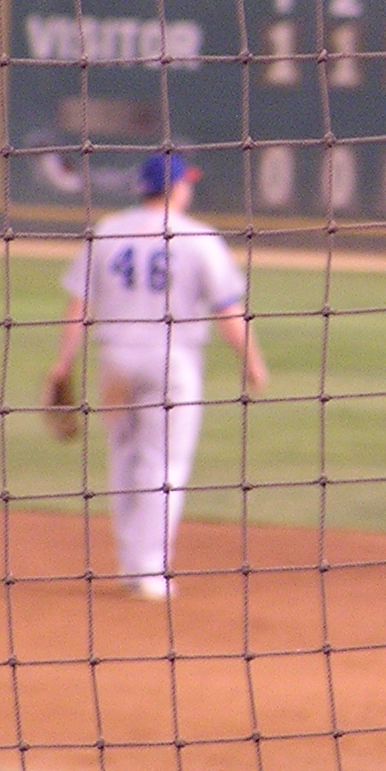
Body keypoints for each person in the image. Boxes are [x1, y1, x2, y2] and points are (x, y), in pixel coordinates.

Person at [46, 151, 268, 600]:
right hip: (174, 362)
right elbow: (228, 311)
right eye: (187, 182)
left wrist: (63, 362)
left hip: (117, 362)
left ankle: (133, 564)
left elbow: (78, 307)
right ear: (178, 188)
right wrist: (252, 361)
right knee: (163, 463)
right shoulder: (199, 238)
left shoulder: (106, 231)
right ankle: (150, 570)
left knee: (125, 460)